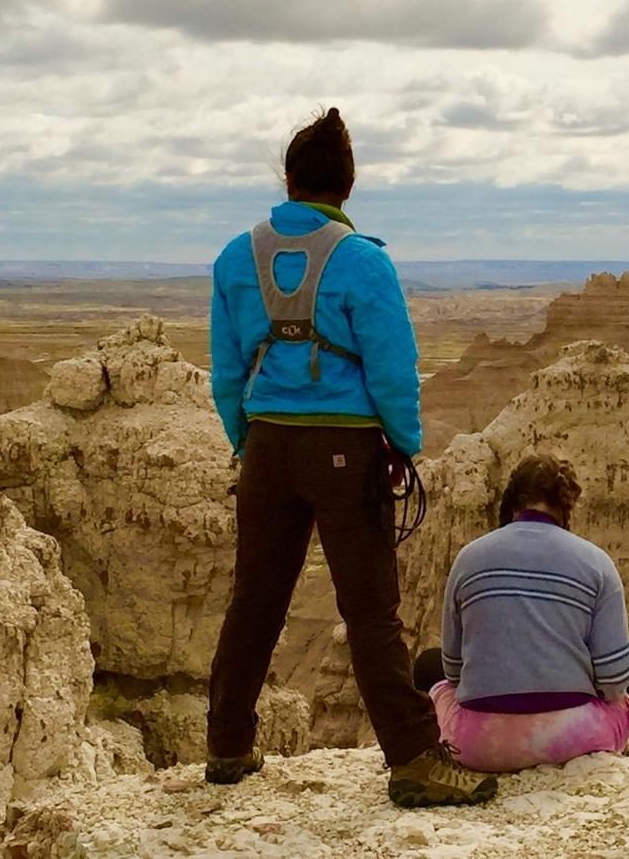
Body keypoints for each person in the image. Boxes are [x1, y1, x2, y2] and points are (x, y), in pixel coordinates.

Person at [206, 107, 496, 808]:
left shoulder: (233, 258)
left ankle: (226, 746)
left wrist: (247, 442)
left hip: (268, 446)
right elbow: (394, 366)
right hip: (345, 447)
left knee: (254, 602)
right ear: (348, 186)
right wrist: (402, 441)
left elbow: (225, 371)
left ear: (287, 179)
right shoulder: (363, 260)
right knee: (371, 611)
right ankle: (415, 759)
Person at [412, 454, 629, 772]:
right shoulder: (597, 562)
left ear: (512, 501)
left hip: (480, 745)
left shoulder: (468, 558)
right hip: (575, 740)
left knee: (426, 666)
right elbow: (614, 680)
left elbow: (453, 669)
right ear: (566, 505)